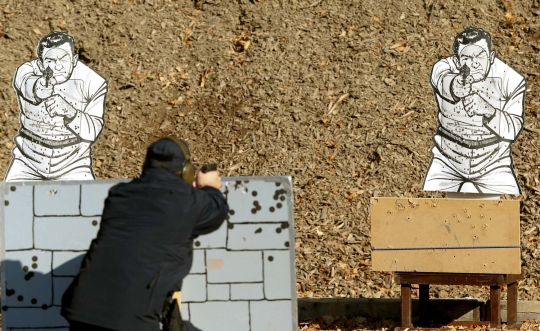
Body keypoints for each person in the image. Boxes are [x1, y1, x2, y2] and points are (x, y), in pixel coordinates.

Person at [61, 137, 229, 331]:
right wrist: (209, 187)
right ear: (185, 171)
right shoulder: (187, 203)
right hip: (131, 318)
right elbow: (217, 212)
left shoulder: (120, 195)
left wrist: (185, 192)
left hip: (82, 309)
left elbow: (155, 207)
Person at [422, 27, 526, 194]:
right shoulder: (444, 67)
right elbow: (440, 76)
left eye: (480, 56)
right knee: (427, 210)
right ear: (456, 61)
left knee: (507, 213)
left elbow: (513, 129)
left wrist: (489, 110)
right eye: (467, 57)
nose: (474, 63)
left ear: (491, 57)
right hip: (448, 160)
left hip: (494, 162)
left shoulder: (511, 80)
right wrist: (454, 86)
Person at [4, 31, 108, 181]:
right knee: (9, 202)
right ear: (40, 64)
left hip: (73, 163)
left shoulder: (93, 83)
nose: (57, 66)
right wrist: (37, 88)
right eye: (50, 60)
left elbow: (93, 131)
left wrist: (71, 112)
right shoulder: (26, 70)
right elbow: (24, 80)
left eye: (63, 59)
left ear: (74, 59)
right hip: (28, 161)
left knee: (89, 203)